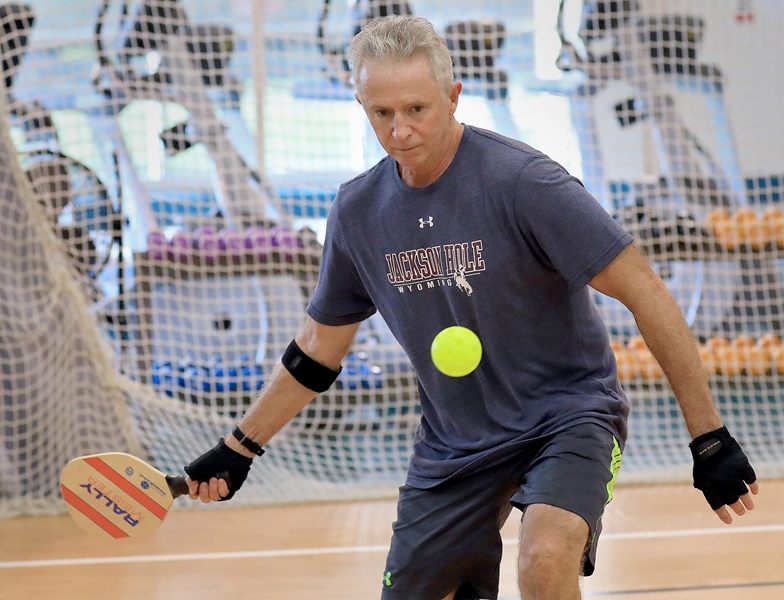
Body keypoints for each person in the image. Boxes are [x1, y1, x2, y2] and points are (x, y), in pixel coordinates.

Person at [183, 15, 760, 600]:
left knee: (544, 558)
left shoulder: (525, 182)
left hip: (567, 415)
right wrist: (239, 447)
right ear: (361, 104)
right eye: (382, 113)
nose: (400, 130)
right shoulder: (358, 211)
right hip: (455, 442)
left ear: (453, 97)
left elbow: (647, 292)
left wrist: (707, 435)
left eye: (417, 109)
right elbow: (315, 352)